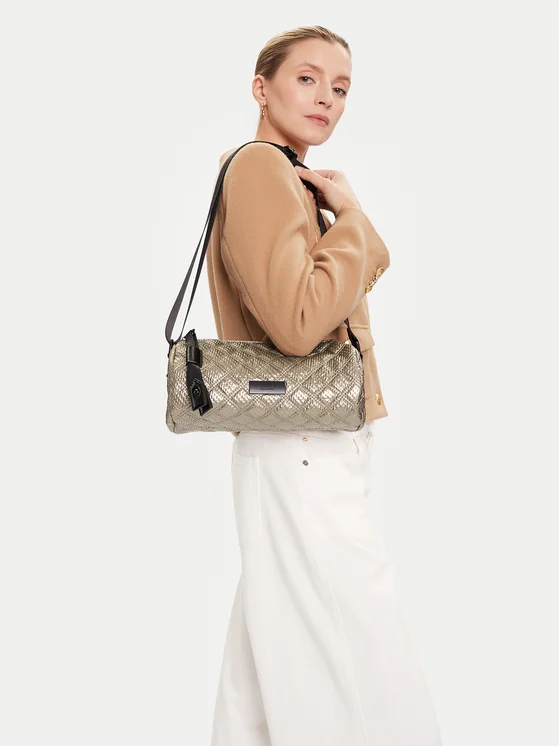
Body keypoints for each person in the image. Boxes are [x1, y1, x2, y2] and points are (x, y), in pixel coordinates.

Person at [206, 25, 443, 746]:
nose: (327, 99)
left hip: (300, 442)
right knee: (356, 640)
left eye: (340, 88)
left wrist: (341, 220)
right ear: (261, 87)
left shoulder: (286, 176)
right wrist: (356, 222)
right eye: (307, 78)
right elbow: (298, 323)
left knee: (270, 653)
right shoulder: (260, 168)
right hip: (301, 442)